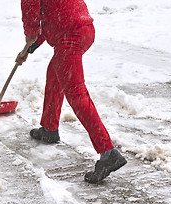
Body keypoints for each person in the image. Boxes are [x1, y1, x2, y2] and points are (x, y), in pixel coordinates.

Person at [16, 0, 127, 184]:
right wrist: (31, 46)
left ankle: (108, 154)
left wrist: (30, 37)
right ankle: (49, 128)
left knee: (77, 95)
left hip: (69, 34)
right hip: (83, 28)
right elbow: (53, 13)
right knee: (55, 73)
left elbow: (32, 15)